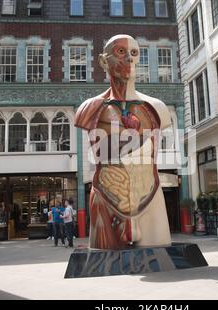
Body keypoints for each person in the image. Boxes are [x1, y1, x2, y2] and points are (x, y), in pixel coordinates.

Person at [74, 34, 172, 250]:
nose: (128, 58)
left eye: (134, 53)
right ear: (103, 61)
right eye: (121, 51)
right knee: (105, 257)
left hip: (150, 197)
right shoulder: (90, 109)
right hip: (106, 198)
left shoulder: (157, 108)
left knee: (158, 253)